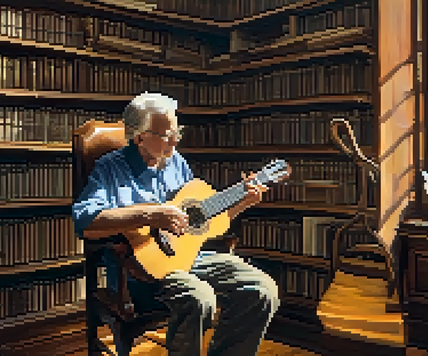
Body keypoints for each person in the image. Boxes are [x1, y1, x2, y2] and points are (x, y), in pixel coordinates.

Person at [73, 92, 281, 356]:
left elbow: (201, 223)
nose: (175, 140)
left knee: (261, 290)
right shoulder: (110, 169)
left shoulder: (176, 163)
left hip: (190, 258)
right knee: (199, 298)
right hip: (137, 271)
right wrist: (150, 215)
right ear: (139, 137)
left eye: (176, 132)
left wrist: (242, 203)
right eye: (166, 135)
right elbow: (85, 222)